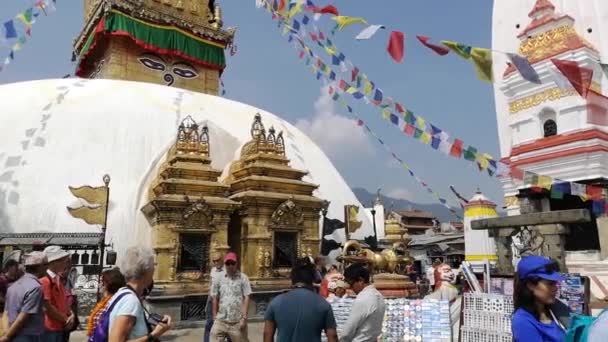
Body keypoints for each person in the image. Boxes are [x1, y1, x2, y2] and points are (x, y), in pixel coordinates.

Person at [263, 257, 337, 342]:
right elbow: (332, 336)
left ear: (292, 280)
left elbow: (267, 334)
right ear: (312, 280)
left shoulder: (275, 302)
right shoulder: (323, 304)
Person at [108, 246, 172, 342]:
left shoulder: (123, 292)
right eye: (153, 266)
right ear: (145, 271)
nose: (154, 270)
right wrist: (154, 334)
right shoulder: (130, 301)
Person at [512, 256, 566, 342]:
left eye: (555, 283)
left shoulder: (557, 309)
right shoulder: (523, 322)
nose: (555, 288)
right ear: (530, 285)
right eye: (550, 284)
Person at [1, 252, 47, 342]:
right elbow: (23, 316)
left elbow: (6, 313)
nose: (47, 268)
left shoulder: (13, 286)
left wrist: (7, 333)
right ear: (39, 267)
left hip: (12, 333)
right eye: (46, 264)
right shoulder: (35, 287)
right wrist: (7, 337)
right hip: (28, 336)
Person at [210, 252, 251, 342]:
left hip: (237, 321)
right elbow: (215, 297)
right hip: (221, 320)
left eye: (232, 263)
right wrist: (214, 317)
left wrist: (244, 318)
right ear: (225, 264)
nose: (230, 266)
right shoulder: (219, 278)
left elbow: (247, 297)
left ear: (236, 264)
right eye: (228, 264)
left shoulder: (243, 278)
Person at [341, 263, 385, 342]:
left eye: (351, 284)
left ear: (361, 280)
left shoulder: (363, 298)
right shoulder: (379, 296)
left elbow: (347, 332)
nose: (351, 288)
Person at [40, 246, 74, 342]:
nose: (65, 263)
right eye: (63, 260)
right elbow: (47, 307)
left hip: (58, 327)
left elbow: (64, 301)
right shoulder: (45, 280)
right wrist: (66, 319)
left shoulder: (57, 278)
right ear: (54, 262)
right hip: (49, 328)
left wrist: (71, 314)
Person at [86, 268, 126, 337]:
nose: (99, 284)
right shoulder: (105, 301)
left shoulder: (111, 302)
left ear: (107, 284)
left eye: (102, 281)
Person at [204, 252, 225, 342]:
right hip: (211, 299)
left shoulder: (226, 271)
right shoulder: (213, 270)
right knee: (209, 322)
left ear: (222, 260)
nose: (216, 263)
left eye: (217, 260)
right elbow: (211, 284)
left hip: (221, 300)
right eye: (214, 261)